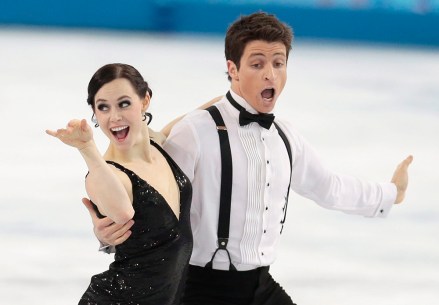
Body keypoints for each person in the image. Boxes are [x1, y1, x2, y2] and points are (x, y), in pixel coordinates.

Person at [86, 12, 413, 305]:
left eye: (278, 63)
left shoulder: (286, 136)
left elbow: (328, 187)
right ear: (233, 69)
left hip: (259, 285)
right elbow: (155, 197)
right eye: (257, 64)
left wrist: (390, 194)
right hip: (199, 288)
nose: (270, 75)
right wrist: (107, 234)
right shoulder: (197, 131)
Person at [46, 63, 193, 305]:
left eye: (124, 103)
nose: (114, 117)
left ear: (145, 101)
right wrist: (86, 148)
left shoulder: (158, 145)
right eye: (103, 107)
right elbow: (123, 211)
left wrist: (238, 94)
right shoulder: (104, 174)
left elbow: (207, 114)